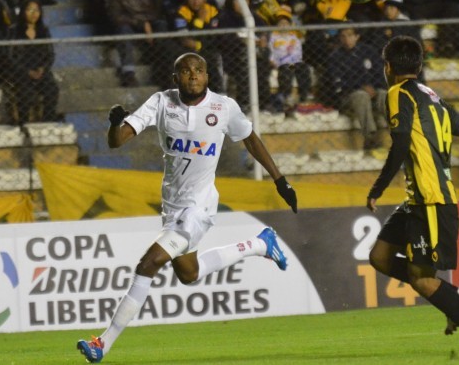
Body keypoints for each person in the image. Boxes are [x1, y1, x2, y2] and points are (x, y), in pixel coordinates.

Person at [76, 52, 298, 363]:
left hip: (200, 207)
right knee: (189, 273)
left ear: (207, 76)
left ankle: (103, 343)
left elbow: (250, 139)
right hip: (172, 207)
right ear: (175, 78)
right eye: (185, 70)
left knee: (148, 263)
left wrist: (280, 180)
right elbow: (117, 140)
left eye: (199, 70)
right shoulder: (162, 102)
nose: (193, 75)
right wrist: (115, 122)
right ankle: (261, 244)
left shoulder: (223, 107)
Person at [367, 35, 459, 352]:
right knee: (380, 256)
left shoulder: (397, 94)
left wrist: (377, 187)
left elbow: (401, 142)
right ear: (418, 65)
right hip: (418, 199)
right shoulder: (432, 97)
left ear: (388, 67)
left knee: (422, 278)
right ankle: (452, 294)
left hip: (431, 199)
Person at [104, 0, 170, 88]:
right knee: (123, 29)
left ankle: (162, 69)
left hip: (150, 20)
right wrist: (142, 23)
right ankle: (128, 73)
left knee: (162, 25)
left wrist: (148, 22)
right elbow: (115, 16)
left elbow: (158, 5)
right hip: (130, 23)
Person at [324, 27, 387, 150]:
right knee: (361, 95)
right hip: (349, 96)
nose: (347, 39)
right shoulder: (335, 57)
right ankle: (370, 138)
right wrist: (361, 87)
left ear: (357, 36)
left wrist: (373, 87)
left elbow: (380, 74)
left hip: (373, 91)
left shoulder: (369, 51)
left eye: (350, 35)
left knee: (384, 94)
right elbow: (338, 84)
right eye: (343, 36)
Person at [7, 0, 59, 125]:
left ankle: (48, 121)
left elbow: (50, 54)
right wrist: (26, 71)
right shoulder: (14, 30)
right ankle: (24, 123)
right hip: (21, 72)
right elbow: (9, 56)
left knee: (52, 90)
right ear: (23, 12)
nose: (33, 13)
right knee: (26, 93)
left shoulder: (44, 31)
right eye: (29, 10)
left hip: (40, 70)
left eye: (36, 10)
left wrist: (43, 68)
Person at [173, 0, 222, 92]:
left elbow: (214, 36)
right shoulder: (181, 12)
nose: (196, 1)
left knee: (212, 59)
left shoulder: (213, 11)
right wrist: (199, 21)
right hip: (187, 51)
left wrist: (199, 44)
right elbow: (184, 38)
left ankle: (218, 92)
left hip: (209, 49)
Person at [269, 8, 312, 113]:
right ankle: (286, 95)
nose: (284, 25)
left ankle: (304, 95)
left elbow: (298, 52)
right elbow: (270, 51)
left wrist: (295, 60)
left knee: (304, 68)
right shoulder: (273, 37)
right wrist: (272, 61)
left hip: (294, 62)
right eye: (281, 23)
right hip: (281, 63)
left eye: (286, 23)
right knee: (286, 71)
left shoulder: (294, 38)